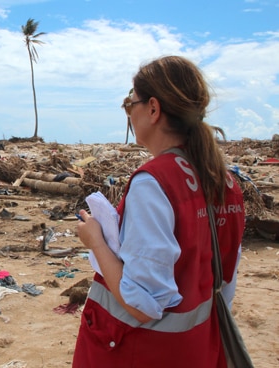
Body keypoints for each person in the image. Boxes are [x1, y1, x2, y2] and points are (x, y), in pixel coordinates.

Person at [72, 55, 245, 367]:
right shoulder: (225, 181)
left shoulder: (154, 183)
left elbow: (143, 303)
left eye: (130, 102)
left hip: (144, 353)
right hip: (199, 348)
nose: (128, 113)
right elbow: (225, 284)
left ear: (153, 109)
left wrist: (96, 241)